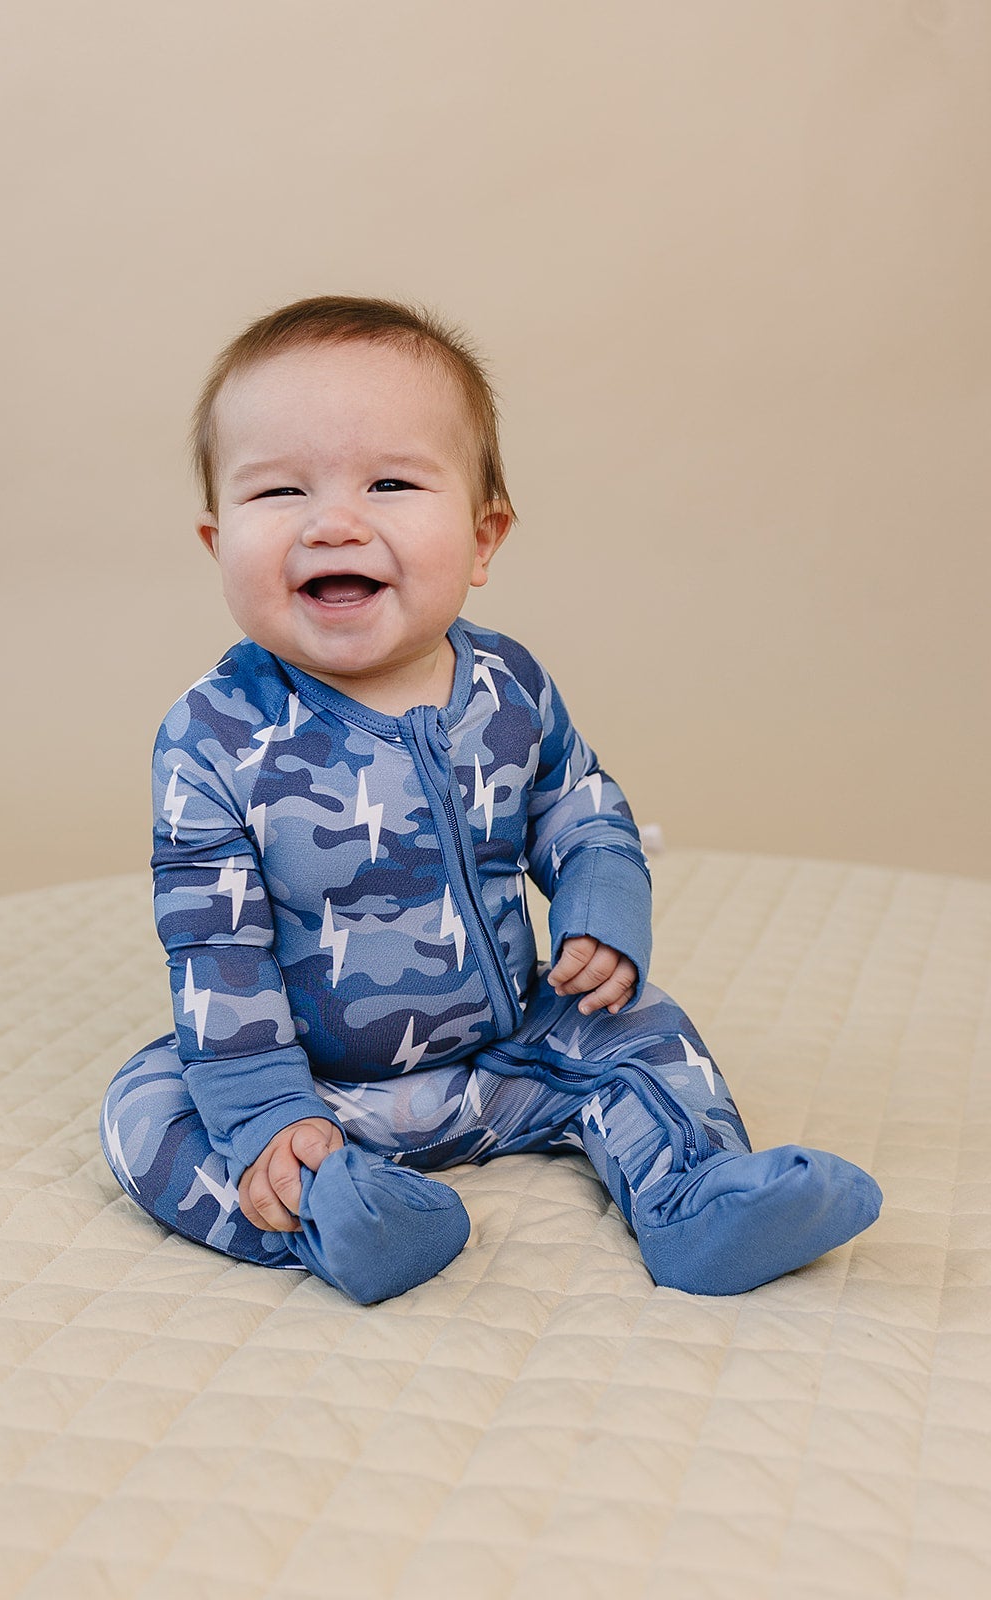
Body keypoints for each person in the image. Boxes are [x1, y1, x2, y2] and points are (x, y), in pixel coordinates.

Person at [99, 295, 881, 1304]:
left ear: (482, 536)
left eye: (389, 483)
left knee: (641, 1027)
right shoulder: (214, 734)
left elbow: (579, 804)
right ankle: (347, 1219)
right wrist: (266, 1114)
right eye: (280, 490)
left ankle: (689, 1203)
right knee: (147, 1111)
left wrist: (601, 906)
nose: (332, 522)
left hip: (511, 1054)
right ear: (218, 544)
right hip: (320, 1088)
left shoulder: (508, 687)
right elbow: (217, 951)